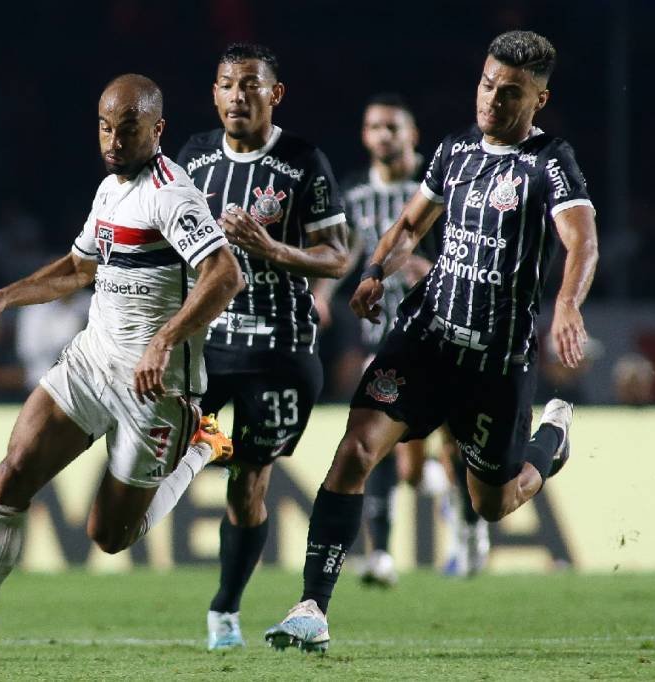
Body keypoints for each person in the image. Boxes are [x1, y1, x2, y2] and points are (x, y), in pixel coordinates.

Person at [265, 30, 599, 652]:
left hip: (496, 362)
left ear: (539, 100)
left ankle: (551, 439)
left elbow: (581, 241)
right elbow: (410, 224)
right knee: (356, 452)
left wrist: (568, 305)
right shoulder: (455, 150)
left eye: (511, 93)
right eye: (487, 84)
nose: (493, 100)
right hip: (426, 338)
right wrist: (374, 272)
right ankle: (312, 606)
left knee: (493, 503)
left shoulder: (551, 161)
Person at [0, 74, 243, 661]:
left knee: (108, 537)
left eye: (127, 129)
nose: (112, 140)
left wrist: (164, 340)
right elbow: (79, 268)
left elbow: (224, 274)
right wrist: (1, 297)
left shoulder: (170, 195)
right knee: (12, 476)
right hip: (91, 362)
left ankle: (200, 445)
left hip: (156, 387)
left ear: (157, 130)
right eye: (105, 127)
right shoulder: (111, 189)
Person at [176, 43, 349, 650]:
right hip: (207, 347)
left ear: (275, 94)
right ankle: (205, 442)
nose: (237, 95)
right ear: (215, 94)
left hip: (279, 350)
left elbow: (336, 256)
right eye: (226, 84)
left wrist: (273, 249)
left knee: (248, 484)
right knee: (165, 445)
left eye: (250, 84)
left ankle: (225, 608)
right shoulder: (193, 158)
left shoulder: (303, 162)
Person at [315, 93, 456, 586]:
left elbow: (472, 254)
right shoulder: (354, 193)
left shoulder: (438, 188)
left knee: (421, 464)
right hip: (385, 340)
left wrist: (433, 270)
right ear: (364, 135)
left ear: (412, 135)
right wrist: (320, 293)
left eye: (393, 128)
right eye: (375, 127)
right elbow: (344, 253)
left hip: (442, 337)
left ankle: (450, 500)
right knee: (372, 443)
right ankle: (381, 556)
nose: (383, 136)